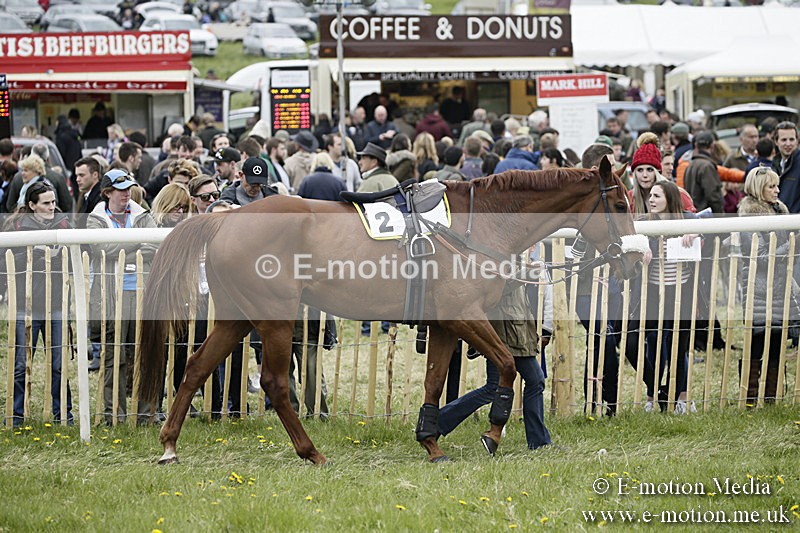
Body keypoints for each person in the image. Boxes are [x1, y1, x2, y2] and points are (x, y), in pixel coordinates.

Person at [437, 282, 552, 454]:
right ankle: (538, 441)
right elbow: (492, 287)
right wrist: (523, 275)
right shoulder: (498, 258)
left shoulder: (515, 258)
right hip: (505, 332)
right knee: (526, 382)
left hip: (515, 330)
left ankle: (438, 421)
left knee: (523, 383)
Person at [87, 169, 157, 424]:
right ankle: (111, 414)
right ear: (107, 193)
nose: (126, 193)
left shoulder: (142, 213)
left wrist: (120, 246)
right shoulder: (96, 218)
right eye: (120, 189)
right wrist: (136, 243)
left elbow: (154, 247)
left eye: (128, 187)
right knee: (113, 355)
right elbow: (101, 248)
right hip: (111, 294)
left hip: (141, 289)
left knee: (145, 353)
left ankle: (146, 414)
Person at [7, 182, 73, 427]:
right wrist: (33, 253)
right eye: (46, 203)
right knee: (21, 363)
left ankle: (64, 414)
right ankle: (15, 416)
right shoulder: (16, 227)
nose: (51, 207)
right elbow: (6, 263)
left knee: (58, 363)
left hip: (56, 303)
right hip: (25, 304)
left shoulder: (64, 224)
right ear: (32, 205)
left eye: (53, 202)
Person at [633, 181, 698, 414]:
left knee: (678, 345)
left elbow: (706, 225)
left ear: (669, 200)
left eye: (656, 196)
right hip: (652, 291)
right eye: (650, 195)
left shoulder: (684, 220)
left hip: (680, 289)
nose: (651, 199)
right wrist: (642, 245)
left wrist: (695, 231)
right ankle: (653, 394)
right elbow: (629, 238)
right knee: (652, 343)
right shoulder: (643, 223)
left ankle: (680, 397)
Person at [737, 167, 800, 403]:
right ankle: (751, 395)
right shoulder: (750, 215)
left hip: (780, 286)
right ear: (758, 188)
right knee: (756, 341)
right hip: (760, 288)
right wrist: (792, 245)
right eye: (771, 186)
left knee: (776, 341)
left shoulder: (779, 211)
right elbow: (760, 257)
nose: (777, 190)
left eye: (777, 185)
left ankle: (771, 395)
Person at [772, 121, 800, 214]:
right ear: (776, 141)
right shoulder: (774, 164)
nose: (788, 144)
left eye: (792, 139)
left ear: (797, 140)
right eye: (784, 140)